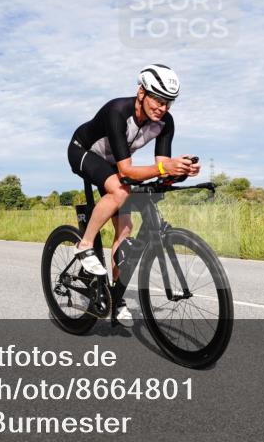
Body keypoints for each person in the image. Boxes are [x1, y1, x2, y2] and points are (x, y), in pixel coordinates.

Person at [67, 64, 200, 325]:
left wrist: (181, 170)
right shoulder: (118, 111)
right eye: (158, 100)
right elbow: (127, 170)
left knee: (125, 228)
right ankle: (84, 245)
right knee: (120, 189)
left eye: (168, 103)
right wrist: (165, 166)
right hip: (83, 151)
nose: (162, 108)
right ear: (141, 92)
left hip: (113, 163)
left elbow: (161, 167)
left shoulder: (165, 123)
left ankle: (117, 298)